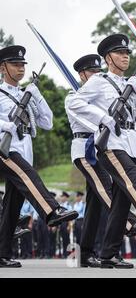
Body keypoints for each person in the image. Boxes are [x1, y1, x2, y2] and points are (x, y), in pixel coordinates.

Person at [67, 34, 136, 268]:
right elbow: (75, 103)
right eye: (120, 53)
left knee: (120, 202)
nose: (125, 57)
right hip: (110, 144)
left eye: (127, 53)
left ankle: (109, 254)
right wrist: (102, 118)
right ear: (108, 58)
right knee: (133, 180)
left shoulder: (129, 82)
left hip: (129, 143)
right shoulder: (99, 81)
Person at [0, 45, 78, 267]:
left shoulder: (26, 93)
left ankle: (2, 253)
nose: (20, 68)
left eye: (22, 65)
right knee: (27, 175)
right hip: (4, 149)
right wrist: (5, 124)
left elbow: (48, 122)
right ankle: (52, 210)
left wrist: (37, 95)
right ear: (2, 68)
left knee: (13, 204)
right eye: (15, 65)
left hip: (23, 150)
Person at [67, 54, 136, 267]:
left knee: (94, 204)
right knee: (106, 190)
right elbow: (89, 120)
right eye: (91, 72)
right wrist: (105, 119)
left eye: (97, 71)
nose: (95, 75)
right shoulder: (73, 96)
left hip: (103, 146)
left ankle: (86, 253)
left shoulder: (105, 91)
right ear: (82, 75)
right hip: (85, 148)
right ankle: (130, 221)